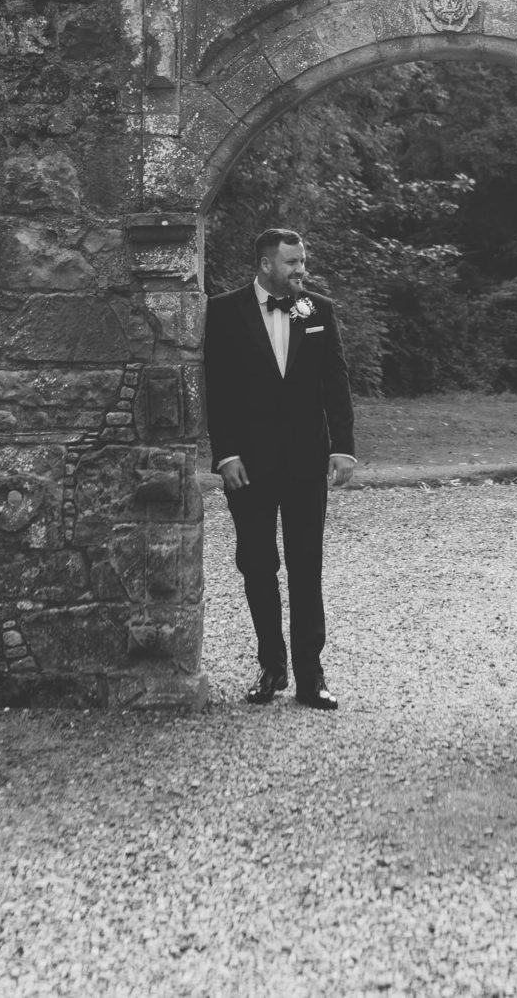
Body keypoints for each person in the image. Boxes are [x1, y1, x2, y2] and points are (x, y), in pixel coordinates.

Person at [203, 228, 357, 708]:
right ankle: (272, 666)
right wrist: (225, 455)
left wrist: (343, 447)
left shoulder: (318, 310)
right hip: (247, 467)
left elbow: (336, 381)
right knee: (257, 565)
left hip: (307, 461)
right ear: (267, 264)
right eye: (292, 263)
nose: (301, 271)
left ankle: (312, 676)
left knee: (306, 565)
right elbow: (218, 388)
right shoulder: (225, 312)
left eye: (303, 261)